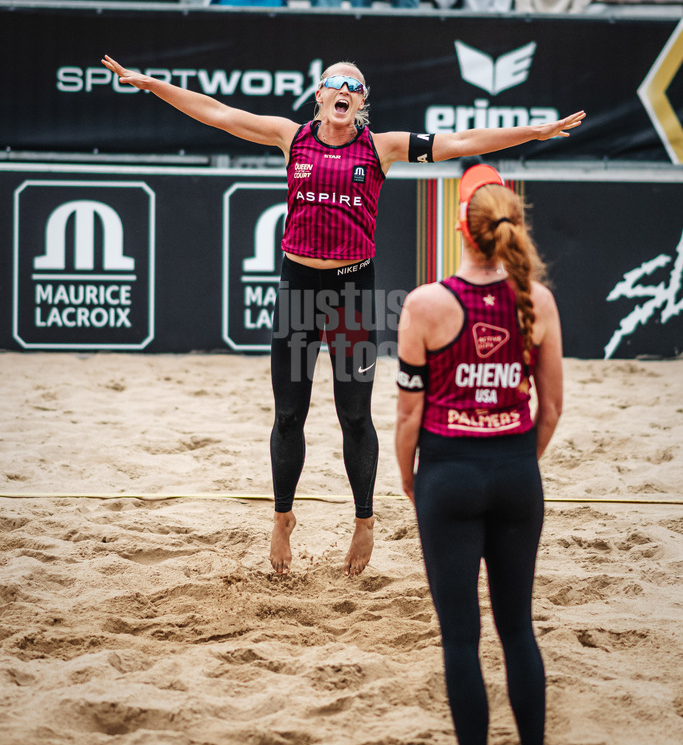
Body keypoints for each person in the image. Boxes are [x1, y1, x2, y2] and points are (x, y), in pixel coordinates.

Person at [100, 54, 583, 578]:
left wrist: (534, 132)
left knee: (354, 415)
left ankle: (364, 520)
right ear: (320, 93)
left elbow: (462, 142)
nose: (345, 89)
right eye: (336, 82)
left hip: (351, 292)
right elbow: (217, 113)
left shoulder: (380, 147)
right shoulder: (291, 137)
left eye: (355, 85)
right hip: (297, 288)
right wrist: (152, 84)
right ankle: (282, 517)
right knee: (289, 414)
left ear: (362, 100)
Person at [395, 163, 565, 745]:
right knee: (517, 627)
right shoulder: (537, 300)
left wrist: (410, 476)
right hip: (517, 472)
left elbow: (408, 415)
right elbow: (551, 410)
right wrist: (516, 460)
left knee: (460, 640)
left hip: (449, 473)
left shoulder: (425, 304)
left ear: (460, 230)